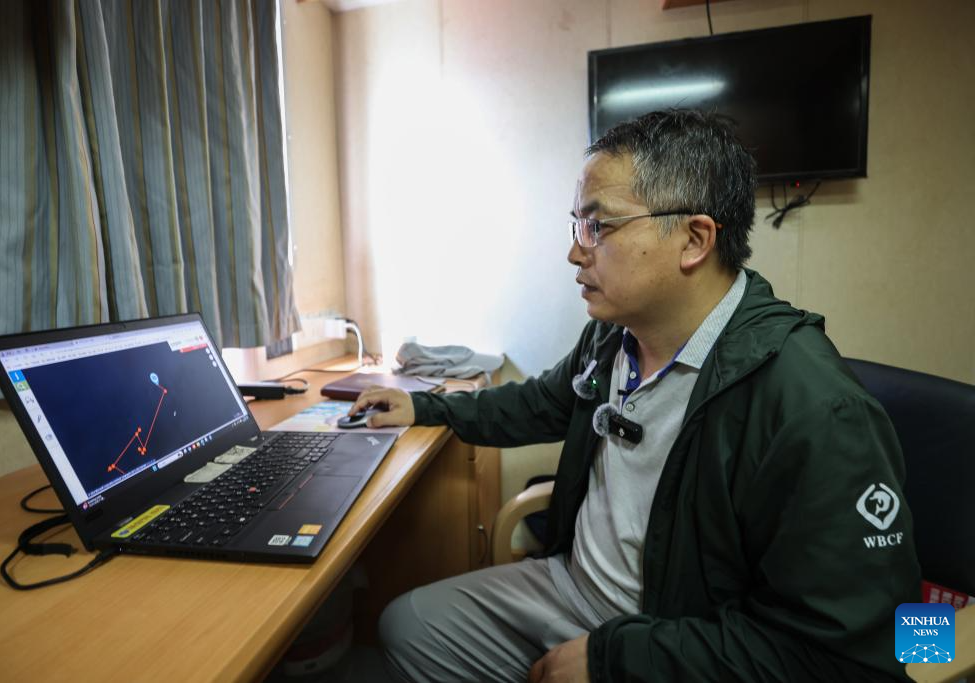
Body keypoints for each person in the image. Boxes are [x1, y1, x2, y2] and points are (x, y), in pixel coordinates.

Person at [350, 109, 920, 682]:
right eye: (577, 226)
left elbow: (846, 659)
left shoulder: (815, 409)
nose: (576, 253)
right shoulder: (614, 336)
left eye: (599, 227)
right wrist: (424, 407)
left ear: (694, 240)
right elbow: (541, 403)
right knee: (406, 625)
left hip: (677, 634)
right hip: (569, 587)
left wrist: (616, 660)